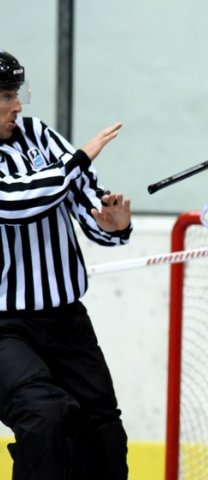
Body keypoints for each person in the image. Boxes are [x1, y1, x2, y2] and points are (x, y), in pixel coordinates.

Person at [0, 50, 132, 480]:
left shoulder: (36, 134)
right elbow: (20, 201)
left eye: (16, 93)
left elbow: (82, 197)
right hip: (5, 328)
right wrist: (78, 158)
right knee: (45, 414)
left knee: (103, 432)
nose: (17, 105)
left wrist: (112, 223)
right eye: (5, 96)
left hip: (66, 320)